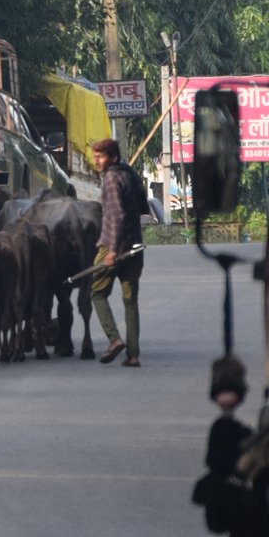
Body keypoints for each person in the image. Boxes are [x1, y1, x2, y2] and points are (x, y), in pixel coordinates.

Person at [91, 136, 150, 367]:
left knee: (96, 293)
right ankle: (133, 355)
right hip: (135, 245)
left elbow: (116, 216)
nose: (97, 161)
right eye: (95, 157)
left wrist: (112, 251)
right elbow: (143, 206)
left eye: (101, 157)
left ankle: (114, 339)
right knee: (130, 300)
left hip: (112, 246)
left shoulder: (111, 179)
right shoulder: (130, 174)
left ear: (112, 157)